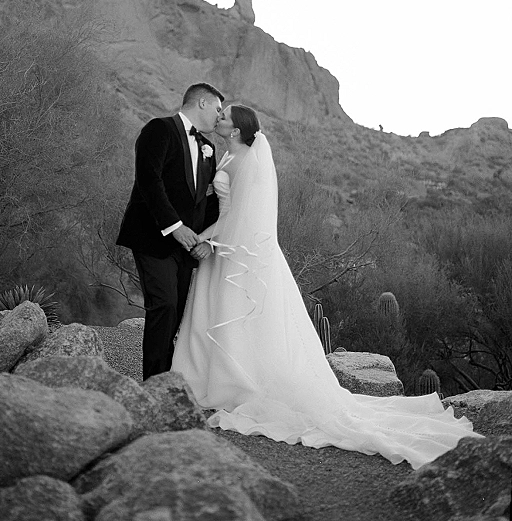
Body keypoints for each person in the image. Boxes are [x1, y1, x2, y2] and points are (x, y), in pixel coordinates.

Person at [172, 104, 483, 470]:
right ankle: (215, 377)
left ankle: (235, 383)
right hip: (228, 249)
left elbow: (239, 216)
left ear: (237, 130)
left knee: (236, 316)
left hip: (238, 254)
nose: (219, 119)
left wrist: (208, 241)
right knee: (224, 317)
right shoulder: (228, 156)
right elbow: (225, 212)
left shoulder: (247, 163)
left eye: (225, 117)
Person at [116, 83, 224, 380]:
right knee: (163, 305)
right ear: (201, 103)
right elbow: (149, 181)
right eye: (217, 109)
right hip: (153, 235)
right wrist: (175, 227)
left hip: (187, 247)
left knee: (176, 312)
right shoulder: (159, 129)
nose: (219, 116)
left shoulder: (209, 149)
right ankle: (153, 384)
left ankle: (164, 381)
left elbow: (206, 201)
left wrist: (206, 240)